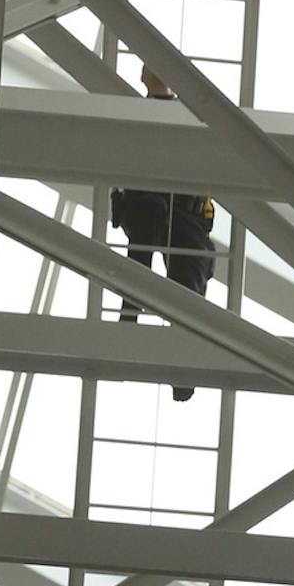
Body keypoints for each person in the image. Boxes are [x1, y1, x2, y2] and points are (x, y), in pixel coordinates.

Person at [110, 63, 216, 401]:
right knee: (147, 251)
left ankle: (182, 365)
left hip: (184, 213)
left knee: (188, 281)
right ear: (142, 76)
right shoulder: (139, 115)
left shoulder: (189, 117)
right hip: (151, 206)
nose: (157, 71)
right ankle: (131, 322)